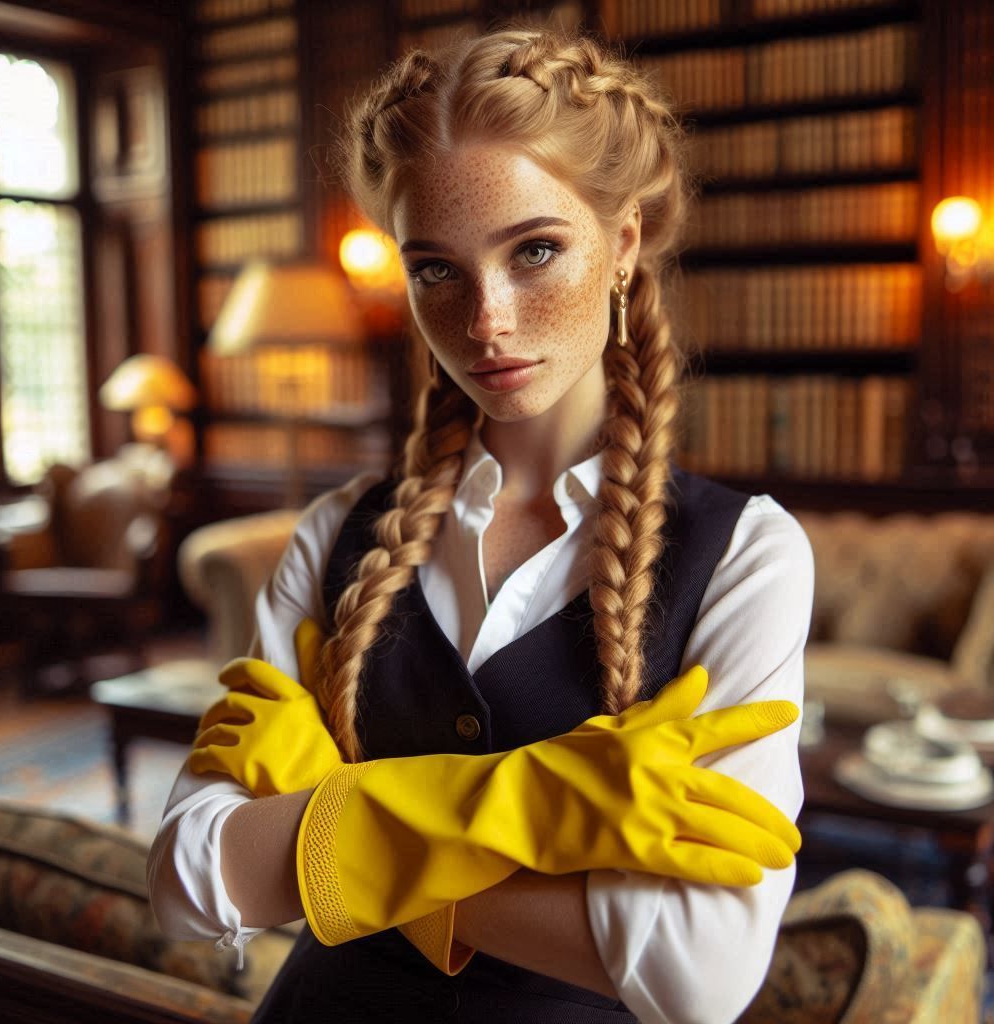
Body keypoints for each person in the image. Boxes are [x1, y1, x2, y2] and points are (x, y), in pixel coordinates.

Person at [147, 25, 814, 1024]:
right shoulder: (335, 532)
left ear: (623, 242)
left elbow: (698, 970)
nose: (485, 320)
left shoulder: (748, 555)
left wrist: (335, 814)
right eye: (436, 270)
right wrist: (522, 808)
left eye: (534, 250)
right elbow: (185, 877)